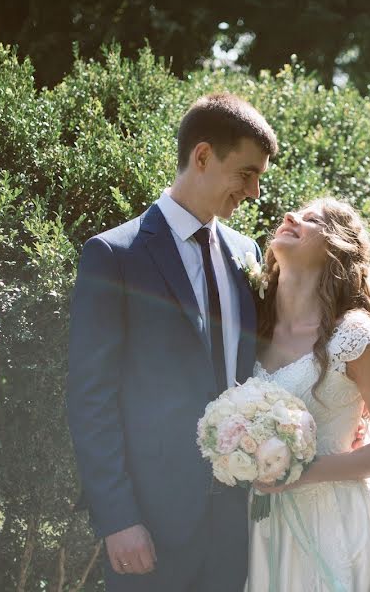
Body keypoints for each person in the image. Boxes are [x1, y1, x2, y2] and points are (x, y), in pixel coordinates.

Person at [66, 93, 277, 591]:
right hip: (150, 525)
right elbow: (90, 396)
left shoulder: (247, 253)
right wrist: (118, 518)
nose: (254, 191)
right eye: (246, 173)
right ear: (202, 156)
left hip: (236, 521)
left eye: (260, 177)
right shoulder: (115, 255)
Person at [246, 197, 370, 591]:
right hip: (264, 529)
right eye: (292, 213)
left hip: (336, 529)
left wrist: (301, 473)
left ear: (336, 249)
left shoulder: (354, 336)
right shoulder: (252, 323)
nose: (291, 217)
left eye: (311, 220)